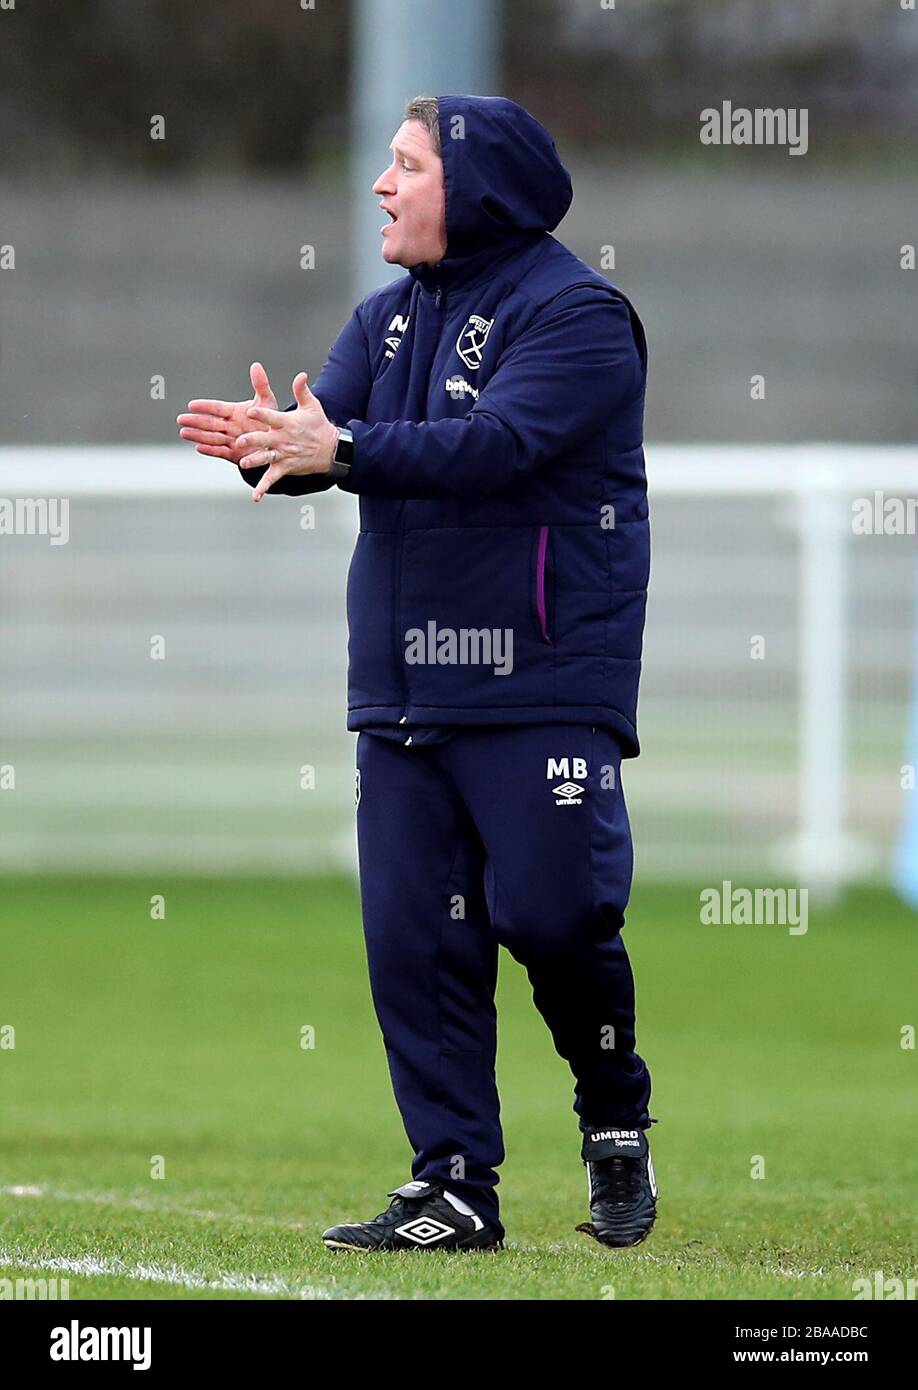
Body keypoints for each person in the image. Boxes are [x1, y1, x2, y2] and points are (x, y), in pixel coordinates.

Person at [177, 94, 656, 1253]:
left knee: (552, 915)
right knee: (414, 939)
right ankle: (452, 1183)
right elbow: (325, 435)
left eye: (405, 166)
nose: (381, 186)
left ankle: (612, 1116)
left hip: (540, 677)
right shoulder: (382, 319)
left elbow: (496, 448)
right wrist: (273, 445)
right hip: (403, 687)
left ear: (476, 186)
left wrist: (332, 450)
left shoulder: (580, 316)